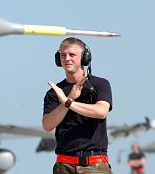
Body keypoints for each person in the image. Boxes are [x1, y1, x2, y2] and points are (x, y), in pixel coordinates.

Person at [42, 37, 113, 174]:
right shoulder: (54, 92)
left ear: (85, 58)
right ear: (58, 59)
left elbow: (101, 111)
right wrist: (68, 99)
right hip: (64, 166)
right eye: (63, 55)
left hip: (95, 165)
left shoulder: (100, 84)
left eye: (72, 55)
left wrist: (68, 102)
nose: (67, 58)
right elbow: (47, 125)